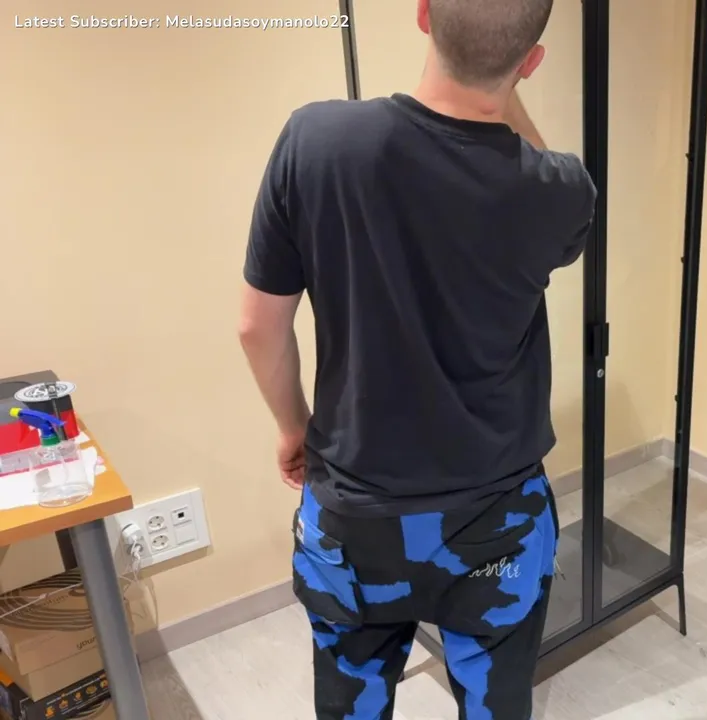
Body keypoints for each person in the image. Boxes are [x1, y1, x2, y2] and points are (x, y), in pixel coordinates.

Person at [236, 0, 595, 717]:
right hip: (497, 521)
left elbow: (256, 327)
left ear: (424, 14)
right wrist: (504, 78)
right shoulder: (560, 189)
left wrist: (294, 428)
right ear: (532, 63)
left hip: (354, 513)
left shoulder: (317, 141)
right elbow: (533, 165)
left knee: (353, 704)